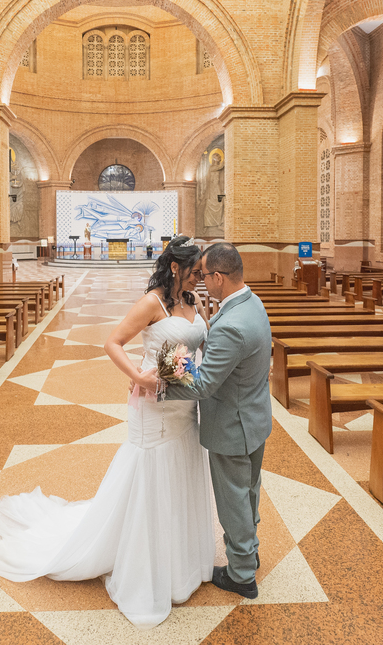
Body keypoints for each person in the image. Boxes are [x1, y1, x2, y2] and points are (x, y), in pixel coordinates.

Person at [0, 236, 213, 629]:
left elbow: (197, 350)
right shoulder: (152, 303)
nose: (200, 279)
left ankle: (180, 562)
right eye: (195, 272)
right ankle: (145, 566)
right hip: (154, 411)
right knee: (152, 476)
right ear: (176, 267)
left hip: (184, 406)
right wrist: (138, 376)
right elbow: (113, 343)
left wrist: (192, 373)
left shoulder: (194, 303)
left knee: (180, 472)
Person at [132, 241, 272, 599]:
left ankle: (241, 574)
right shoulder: (252, 304)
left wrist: (156, 384)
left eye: (205, 275)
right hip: (254, 419)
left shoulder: (231, 323)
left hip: (231, 425)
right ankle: (249, 554)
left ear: (220, 278)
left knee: (234, 501)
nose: (201, 281)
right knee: (249, 492)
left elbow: (206, 383)